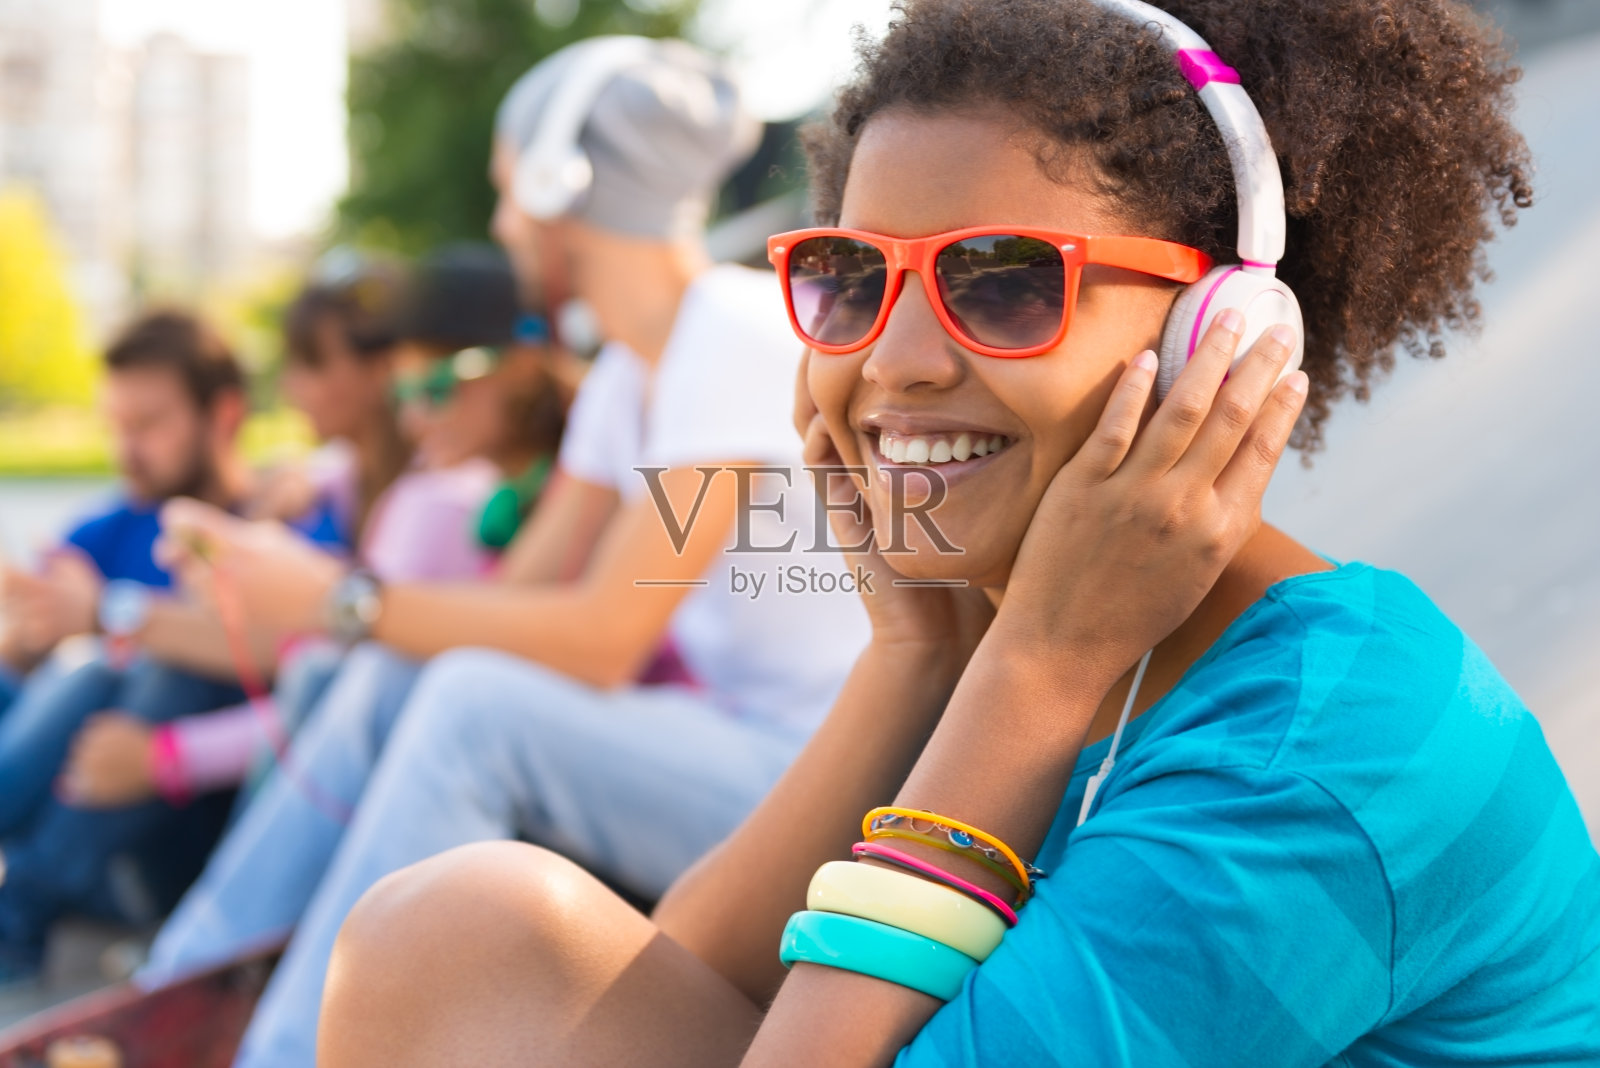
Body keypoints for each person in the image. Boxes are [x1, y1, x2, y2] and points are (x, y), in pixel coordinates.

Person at [318, 2, 1600, 1066]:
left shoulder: (1321, 749)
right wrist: (916, 661)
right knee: (469, 935)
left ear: (1218, 338)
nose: (897, 362)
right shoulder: (1004, 642)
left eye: (1003, 277)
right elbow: (688, 984)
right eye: (854, 278)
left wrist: (1033, 672)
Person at [144, 36, 871, 1065]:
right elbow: (517, 592)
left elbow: (600, 638)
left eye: (504, 193)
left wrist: (337, 599)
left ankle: (286, 1053)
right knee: (415, 666)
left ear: (555, 182)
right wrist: (302, 584)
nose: (500, 225)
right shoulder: (631, 373)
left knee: (476, 705)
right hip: (735, 749)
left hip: (816, 780)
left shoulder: (733, 338)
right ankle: (174, 985)